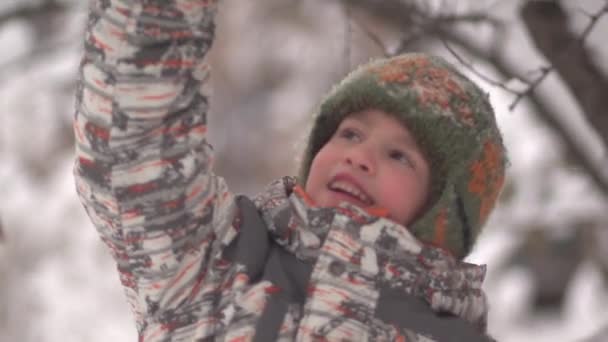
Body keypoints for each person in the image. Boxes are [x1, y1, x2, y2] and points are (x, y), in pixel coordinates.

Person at [73, 0, 506, 341]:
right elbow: (135, 150)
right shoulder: (216, 261)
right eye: (350, 134)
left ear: (443, 215)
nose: (359, 157)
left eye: (399, 156)